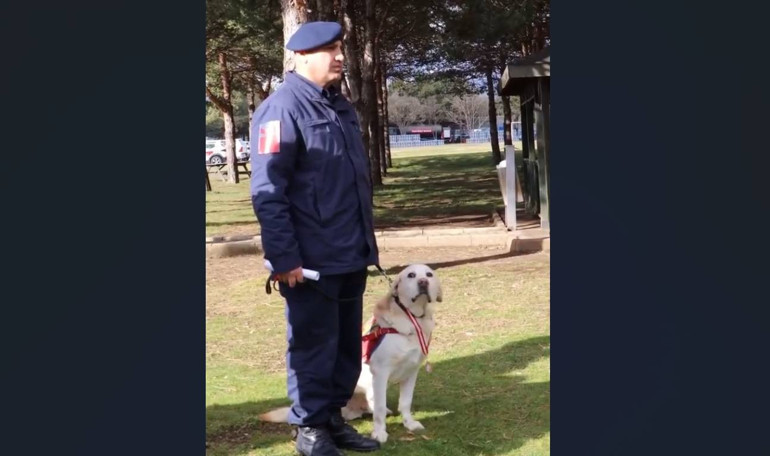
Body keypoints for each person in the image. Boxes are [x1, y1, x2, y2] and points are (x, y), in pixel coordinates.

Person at [249, 21, 381, 456]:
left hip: (349, 253)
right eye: (329, 49)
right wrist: (284, 258)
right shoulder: (281, 109)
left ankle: (332, 421)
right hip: (308, 263)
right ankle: (309, 431)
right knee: (312, 347)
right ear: (301, 57)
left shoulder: (339, 107)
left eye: (340, 47)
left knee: (344, 349)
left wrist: (365, 246)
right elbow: (269, 193)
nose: (339, 56)